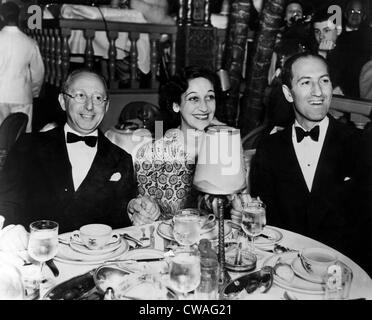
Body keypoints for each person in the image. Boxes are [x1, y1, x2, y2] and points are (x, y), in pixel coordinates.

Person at [0, 69, 137, 233]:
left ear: (106, 106)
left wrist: (134, 214)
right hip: (37, 253)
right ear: (63, 101)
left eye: (98, 98)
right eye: (80, 95)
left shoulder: (122, 160)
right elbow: (6, 205)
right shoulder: (28, 146)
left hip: (96, 257)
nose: (89, 106)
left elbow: (122, 222)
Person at [251, 52, 360, 256]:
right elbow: (267, 224)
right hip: (286, 268)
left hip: (345, 271)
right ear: (288, 93)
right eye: (306, 83)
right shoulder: (269, 149)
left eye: (324, 81)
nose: (318, 91)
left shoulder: (360, 144)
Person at [128, 65, 224, 225]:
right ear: (176, 105)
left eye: (210, 97)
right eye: (194, 98)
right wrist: (143, 212)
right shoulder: (152, 154)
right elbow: (144, 211)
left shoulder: (225, 147)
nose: (205, 107)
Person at [0, 1, 44, 133]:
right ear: (19, 16)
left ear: (1, 17)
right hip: (22, 96)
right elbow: (38, 73)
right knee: (21, 139)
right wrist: (34, 91)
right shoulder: (30, 43)